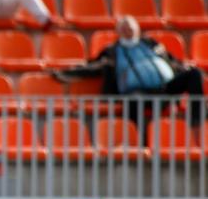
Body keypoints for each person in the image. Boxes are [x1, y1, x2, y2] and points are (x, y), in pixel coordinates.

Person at [51, 16, 206, 130]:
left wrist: (183, 68)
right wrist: (66, 73)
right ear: (118, 31)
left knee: (194, 74)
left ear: (137, 29)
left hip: (165, 88)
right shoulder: (112, 51)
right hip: (137, 92)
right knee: (133, 100)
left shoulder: (151, 44)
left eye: (130, 27)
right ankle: (141, 142)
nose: (128, 30)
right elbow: (93, 66)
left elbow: (174, 62)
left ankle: (197, 119)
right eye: (124, 28)